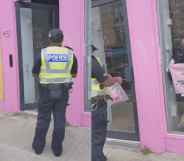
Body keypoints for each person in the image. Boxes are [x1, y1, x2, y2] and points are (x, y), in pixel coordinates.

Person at [32, 28, 78, 156]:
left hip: (46, 91)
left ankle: (38, 147)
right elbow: (74, 74)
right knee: (60, 119)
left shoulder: (43, 53)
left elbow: (35, 72)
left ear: (50, 39)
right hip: (63, 91)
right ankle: (57, 149)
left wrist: (42, 81)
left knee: (43, 119)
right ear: (62, 40)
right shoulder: (70, 54)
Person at [91, 45, 122, 161]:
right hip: (96, 104)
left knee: (92, 134)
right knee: (98, 135)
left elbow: (95, 81)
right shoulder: (92, 61)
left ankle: (98, 157)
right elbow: (106, 82)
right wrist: (117, 79)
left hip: (88, 103)